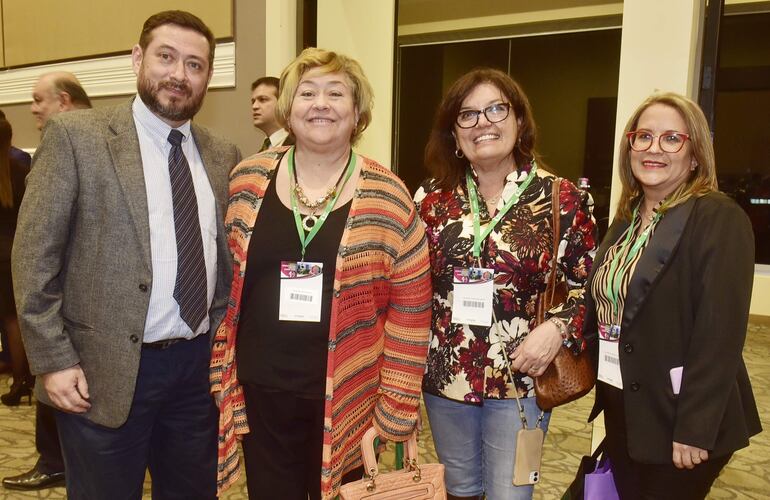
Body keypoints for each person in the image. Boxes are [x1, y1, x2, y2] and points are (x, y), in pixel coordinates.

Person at [12, 10, 240, 500]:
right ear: (138, 59)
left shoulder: (224, 155)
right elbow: (33, 257)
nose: (179, 74)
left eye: (195, 64)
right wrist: (52, 360)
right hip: (101, 372)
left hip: (196, 375)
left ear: (208, 78)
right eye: (166, 57)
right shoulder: (77, 138)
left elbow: (227, 264)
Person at [210, 47, 432, 500]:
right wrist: (220, 366)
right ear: (290, 110)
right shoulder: (246, 181)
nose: (321, 103)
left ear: (357, 112)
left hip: (352, 396)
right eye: (307, 92)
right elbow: (225, 284)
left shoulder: (389, 197)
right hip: (261, 390)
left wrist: (396, 407)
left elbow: (411, 312)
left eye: (336, 93)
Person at [414, 67, 597, 500]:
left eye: (496, 109)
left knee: (510, 495)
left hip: (522, 379)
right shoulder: (431, 200)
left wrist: (557, 328)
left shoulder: (561, 197)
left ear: (519, 120)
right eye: (468, 115)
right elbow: (409, 285)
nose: (483, 123)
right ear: (453, 134)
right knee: (459, 491)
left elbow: (591, 284)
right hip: (446, 378)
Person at [583, 92, 761, 500]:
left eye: (671, 139)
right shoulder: (627, 219)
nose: (653, 149)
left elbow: (719, 335)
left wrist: (695, 429)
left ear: (695, 154)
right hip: (627, 406)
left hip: (683, 418)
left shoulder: (716, 217)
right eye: (643, 136)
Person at [2, 72, 90, 493]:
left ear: (65, 101)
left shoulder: (68, 143)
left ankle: (55, 462)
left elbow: (40, 243)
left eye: (39, 99)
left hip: (74, 301)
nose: (33, 108)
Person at [251, 76, 294, 151]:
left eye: (262, 99)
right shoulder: (263, 150)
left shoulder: (299, 146)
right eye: (253, 101)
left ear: (282, 103)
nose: (254, 106)